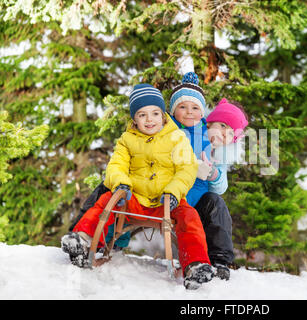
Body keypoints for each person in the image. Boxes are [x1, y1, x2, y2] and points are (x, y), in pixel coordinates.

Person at [61, 84, 213, 290]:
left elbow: (187, 168)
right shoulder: (127, 140)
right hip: (134, 199)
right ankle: (83, 240)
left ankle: (195, 263)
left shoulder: (178, 138)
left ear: (163, 115)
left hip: (167, 201)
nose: (149, 119)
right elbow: (116, 165)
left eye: (155, 113)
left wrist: (174, 191)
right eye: (142, 115)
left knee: (190, 217)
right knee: (105, 201)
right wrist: (121, 183)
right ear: (135, 119)